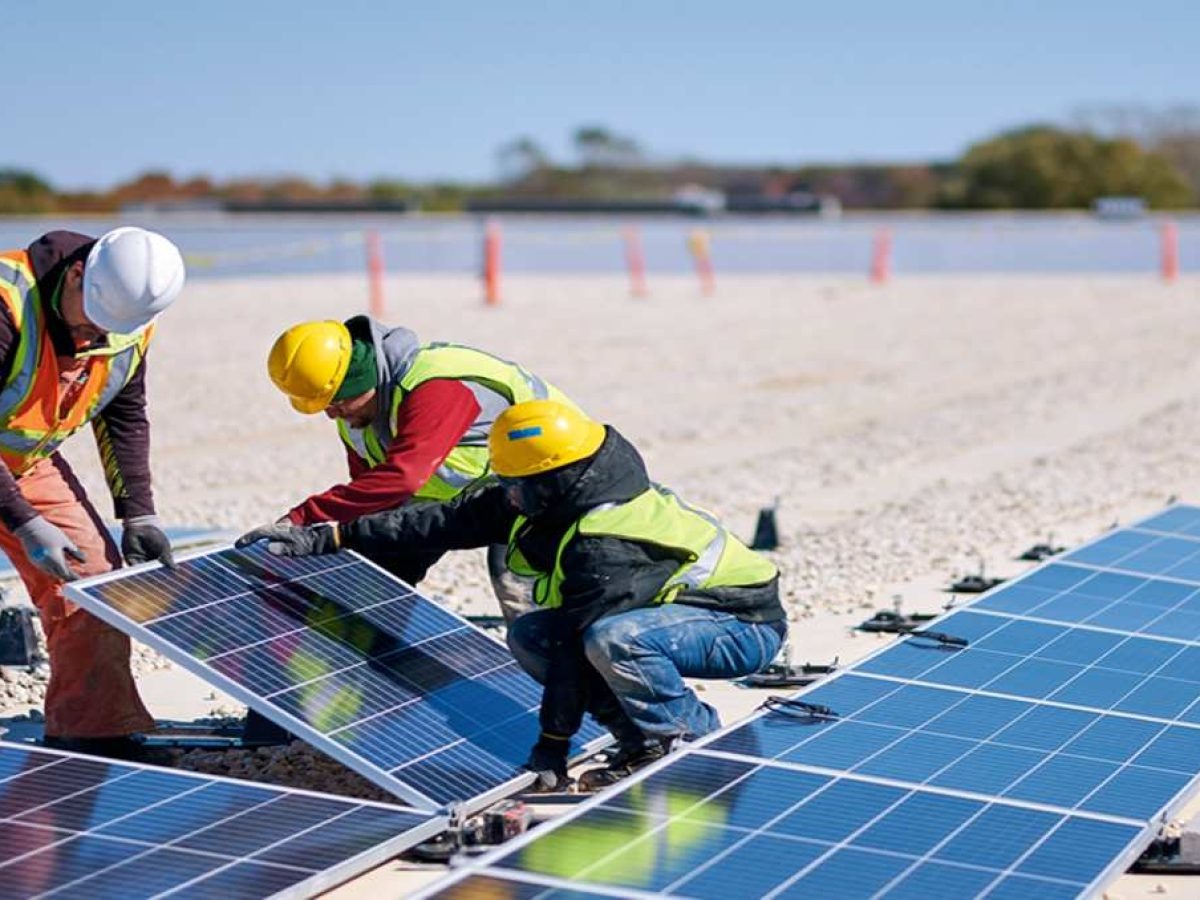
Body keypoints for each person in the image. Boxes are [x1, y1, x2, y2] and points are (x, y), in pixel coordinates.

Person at [237, 399, 787, 790]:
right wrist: (331, 535)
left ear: (551, 479)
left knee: (610, 639)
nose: (508, 496)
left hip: (742, 623)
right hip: (673, 617)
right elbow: (441, 522)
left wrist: (552, 744)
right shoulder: (547, 490)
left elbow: (578, 650)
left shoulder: (605, 540)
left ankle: (686, 739)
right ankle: (638, 740)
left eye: (515, 486)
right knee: (530, 636)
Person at [0, 227, 186, 759]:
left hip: (20, 466)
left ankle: (93, 732)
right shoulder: (7, 301)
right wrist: (25, 521)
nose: (92, 336)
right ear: (77, 272)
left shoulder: (129, 321)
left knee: (92, 582)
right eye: (90, 318)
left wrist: (139, 515)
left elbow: (124, 416)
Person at [257, 317, 582, 621]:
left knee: (517, 580)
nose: (332, 415)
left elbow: (403, 477)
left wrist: (303, 517)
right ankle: (376, 658)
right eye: (324, 406)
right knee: (379, 567)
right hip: (475, 489)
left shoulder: (434, 387)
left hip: (553, 473)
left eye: (336, 402)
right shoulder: (356, 418)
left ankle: (562, 664)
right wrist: (323, 542)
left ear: (362, 381)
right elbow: (373, 494)